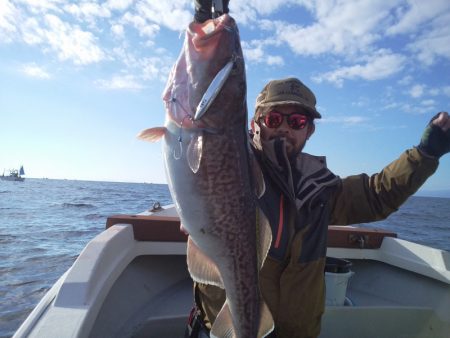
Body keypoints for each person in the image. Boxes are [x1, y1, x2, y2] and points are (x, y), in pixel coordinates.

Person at [184, 77, 450, 338]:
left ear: (309, 130)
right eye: (274, 119)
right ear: (255, 124)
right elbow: (194, 157)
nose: (285, 128)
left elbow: (375, 194)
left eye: (297, 121)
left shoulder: (320, 189)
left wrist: (426, 153)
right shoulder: (232, 170)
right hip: (227, 330)